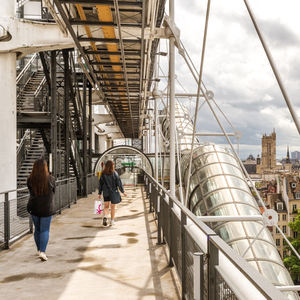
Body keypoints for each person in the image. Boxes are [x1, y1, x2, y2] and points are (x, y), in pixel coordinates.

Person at [27, 159, 56, 261]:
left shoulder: (30, 179)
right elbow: (54, 191)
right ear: (45, 167)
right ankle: (43, 252)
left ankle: (39, 250)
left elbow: (30, 191)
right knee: (45, 230)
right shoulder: (51, 179)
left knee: (37, 229)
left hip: (34, 208)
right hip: (46, 208)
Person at [98, 160, 127, 226]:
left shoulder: (103, 174)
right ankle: (112, 221)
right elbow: (119, 183)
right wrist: (123, 191)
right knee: (113, 207)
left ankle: (105, 216)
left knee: (106, 206)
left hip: (105, 192)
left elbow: (100, 184)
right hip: (113, 192)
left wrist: (99, 193)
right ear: (112, 166)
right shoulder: (115, 173)